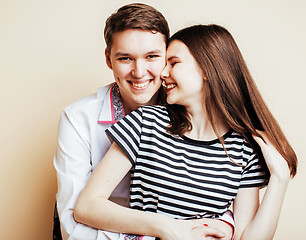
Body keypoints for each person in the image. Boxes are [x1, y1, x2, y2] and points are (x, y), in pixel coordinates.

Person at [73, 24, 297, 240]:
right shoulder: (146, 123)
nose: (163, 73)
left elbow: (246, 238)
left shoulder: (243, 150)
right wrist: (170, 228)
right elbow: (87, 206)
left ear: (208, 70)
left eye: (174, 63)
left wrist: (280, 180)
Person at [54, 3, 233, 240]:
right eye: (126, 58)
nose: (139, 72)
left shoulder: (191, 109)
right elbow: (73, 228)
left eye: (152, 57)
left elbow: (215, 189)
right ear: (109, 59)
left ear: (168, 57)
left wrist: (226, 223)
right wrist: (158, 230)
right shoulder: (77, 119)